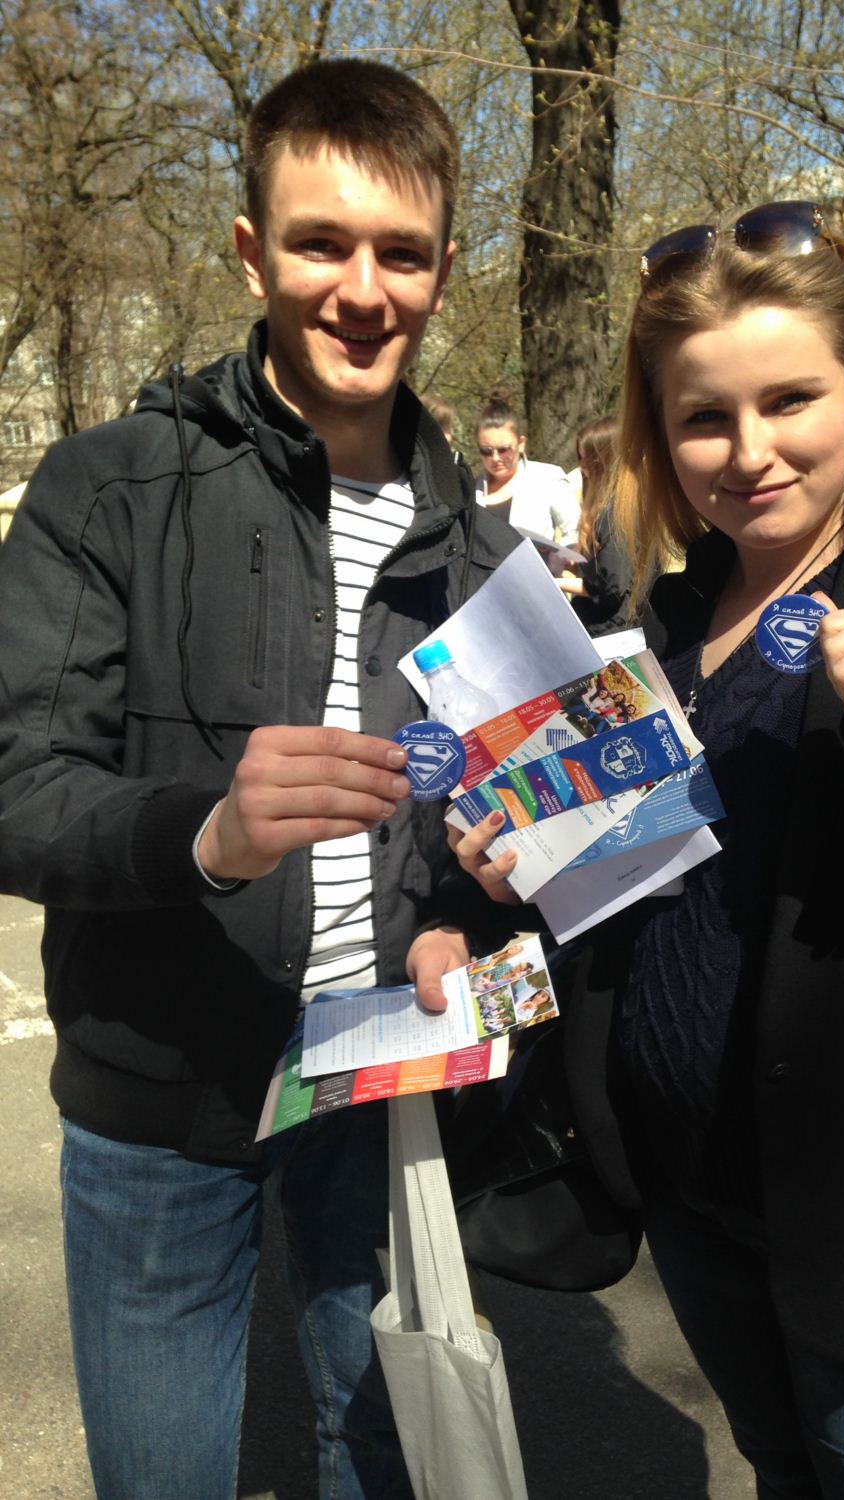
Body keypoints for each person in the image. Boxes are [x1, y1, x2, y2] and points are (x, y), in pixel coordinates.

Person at [449, 202, 844, 1498]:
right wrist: (522, 871)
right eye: (705, 417)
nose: (749, 453)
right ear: (659, 432)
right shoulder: (663, 616)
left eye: (791, 400)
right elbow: (636, 892)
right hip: (692, 1198)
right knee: (779, 1473)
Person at [0, 58, 520, 1500]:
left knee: (381, 1448)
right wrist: (207, 834)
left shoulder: (486, 554)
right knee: (163, 1474)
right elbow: (16, 782)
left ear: (443, 267)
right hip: (166, 1088)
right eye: (320, 243)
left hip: (383, 1076)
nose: (362, 291)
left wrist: (468, 913)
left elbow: (502, 830)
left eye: (401, 253)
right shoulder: (110, 487)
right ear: (251, 250)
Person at [556, 414, 637, 630]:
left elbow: (612, 589)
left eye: (590, 460)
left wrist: (555, 583)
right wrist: (580, 565)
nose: (582, 467)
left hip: (615, 635)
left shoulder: (617, 514)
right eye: (580, 458)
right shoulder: (614, 505)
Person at [474, 392, 581, 545]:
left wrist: (556, 555)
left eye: (503, 449)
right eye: (486, 451)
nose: (495, 458)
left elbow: (575, 529)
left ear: (521, 444)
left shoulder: (548, 478)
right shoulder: (471, 491)